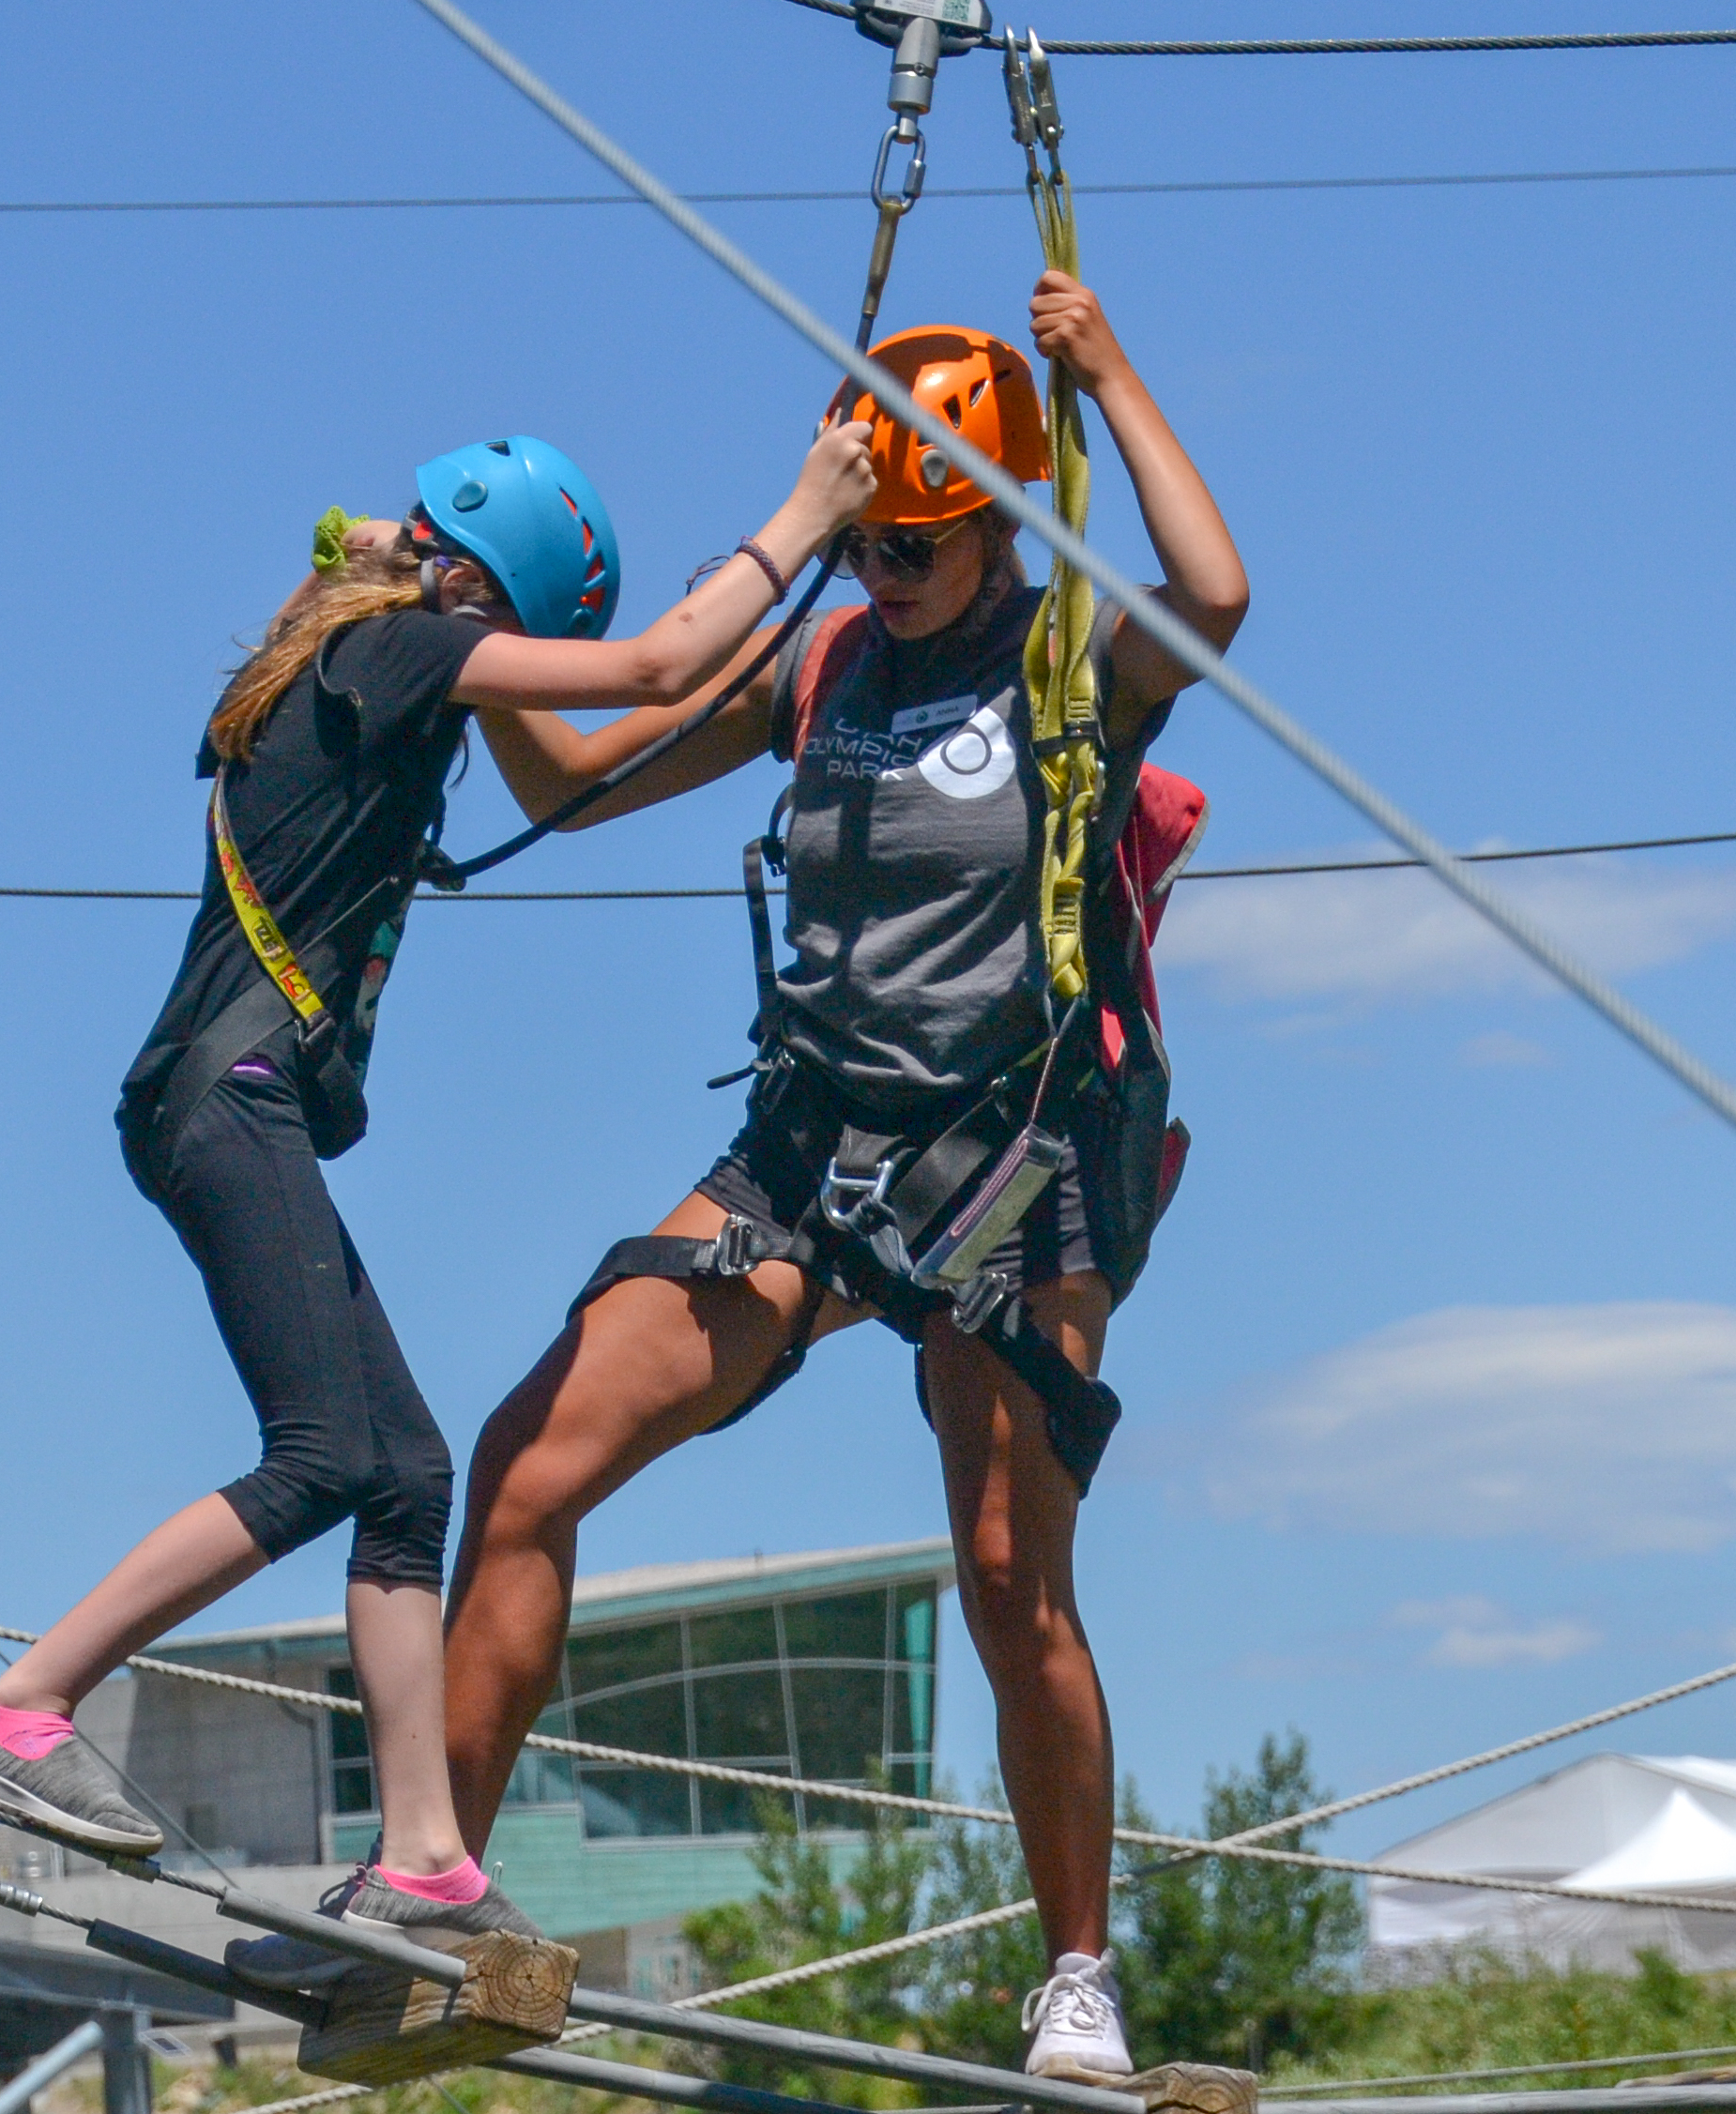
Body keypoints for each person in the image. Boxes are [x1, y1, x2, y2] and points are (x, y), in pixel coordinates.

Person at [0, 423, 877, 1975]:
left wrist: (758, 674)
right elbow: (648, 673)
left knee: (409, 1471)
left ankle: (423, 1857)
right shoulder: (411, 644)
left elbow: (575, 764)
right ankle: (21, 1707)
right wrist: (810, 516)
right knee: (322, 1456)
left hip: (227, 1099)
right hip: (230, 1097)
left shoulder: (372, 645)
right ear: (499, 602)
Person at [442, 272, 1246, 2080]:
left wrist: (1107, 372)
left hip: (1018, 1159)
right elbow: (571, 781)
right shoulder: (816, 668)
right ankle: (441, 1884)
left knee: (1004, 1564)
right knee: (525, 1459)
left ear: (997, 528)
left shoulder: (1066, 670)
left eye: (921, 547)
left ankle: (1076, 1972)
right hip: (809, 1153)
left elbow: (1212, 594)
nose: (886, 572)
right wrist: (471, 644)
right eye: (868, 540)